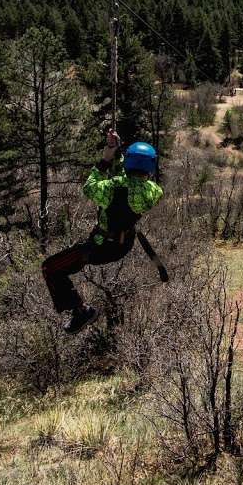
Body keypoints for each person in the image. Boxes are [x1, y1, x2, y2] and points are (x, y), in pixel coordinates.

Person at [41, 128, 163, 334]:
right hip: (123, 245)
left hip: (101, 247)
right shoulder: (153, 190)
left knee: (50, 268)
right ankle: (80, 310)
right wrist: (118, 152)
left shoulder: (112, 188)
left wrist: (105, 160)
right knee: (58, 266)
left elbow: (89, 187)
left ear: (128, 163)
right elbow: (128, 180)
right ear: (150, 167)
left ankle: (81, 311)